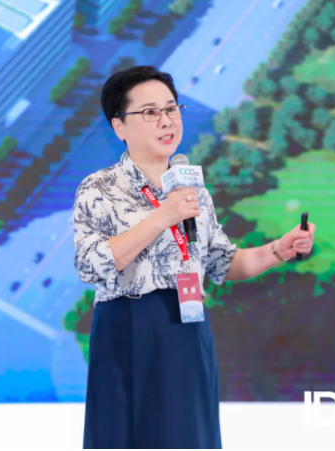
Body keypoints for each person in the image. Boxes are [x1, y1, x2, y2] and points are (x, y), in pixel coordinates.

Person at [73, 65, 315, 449]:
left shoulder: (193, 190)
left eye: (172, 108)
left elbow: (222, 262)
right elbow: (90, 265)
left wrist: (277, 250)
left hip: (188, 327)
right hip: (129, 327)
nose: (166, 120)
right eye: (150, 112)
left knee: (191, 437)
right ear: (119, 126)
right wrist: (161, 217)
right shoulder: (99, 188)